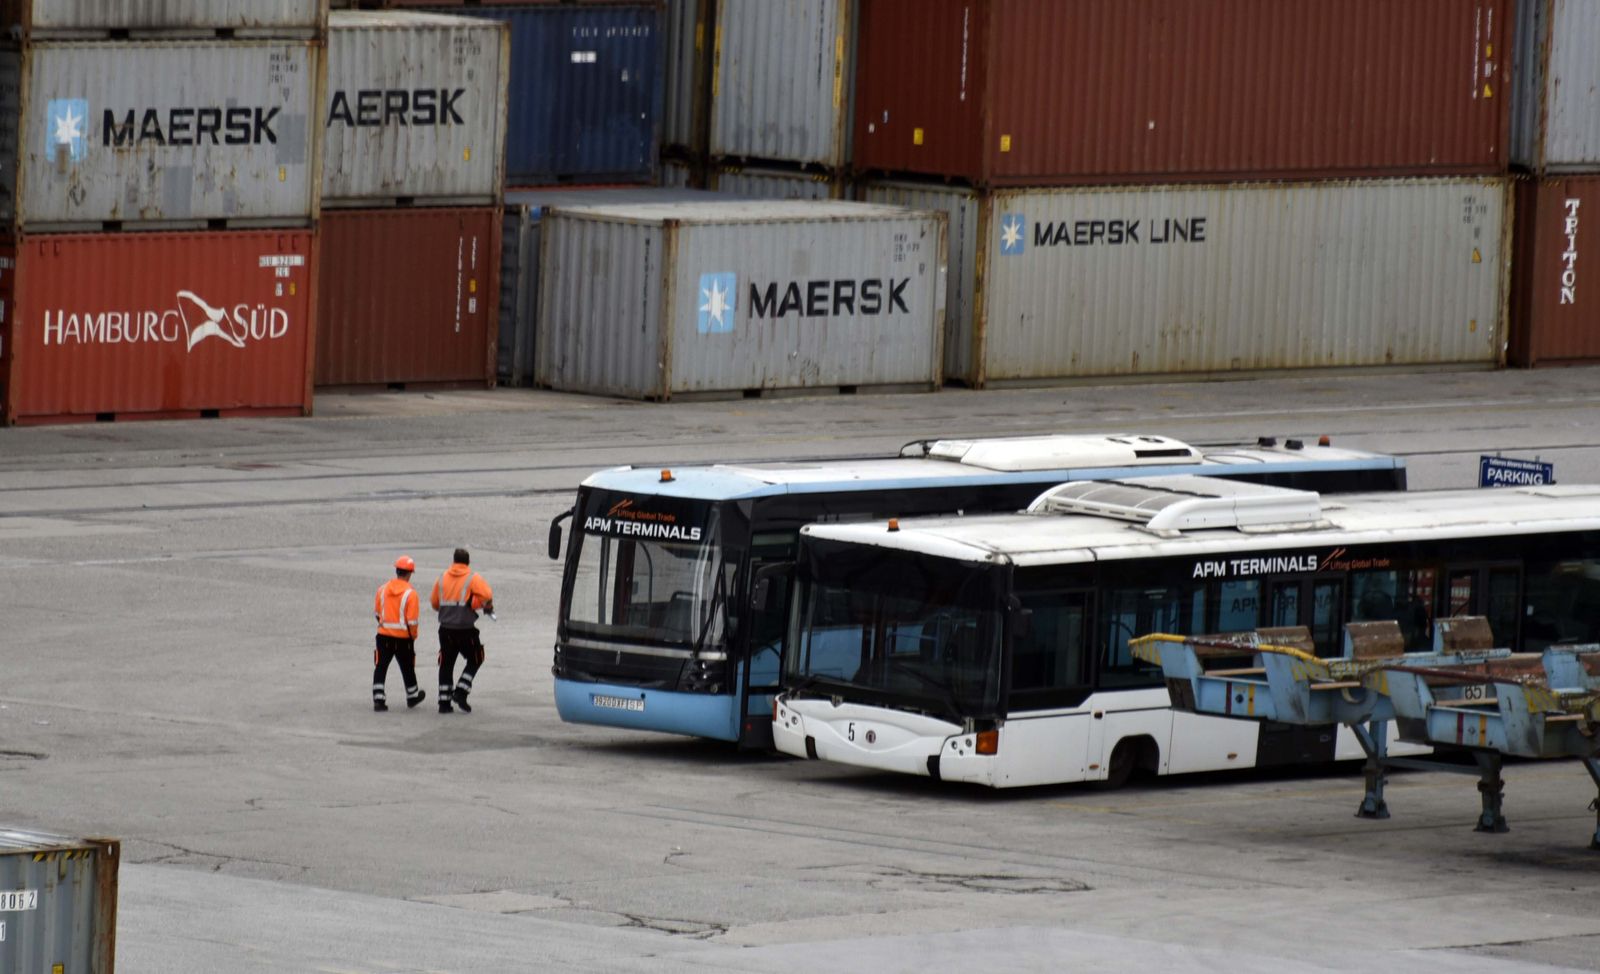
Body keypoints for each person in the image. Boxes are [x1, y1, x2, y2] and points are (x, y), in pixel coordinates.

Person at [431, 548, 494, 714]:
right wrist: (477, 603)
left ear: (453, 561)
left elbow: (434, 603)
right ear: (467, 562)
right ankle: (461, 691)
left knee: (446, 664)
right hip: (466, 629)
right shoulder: (472, 578)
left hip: (445, 629)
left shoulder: (442, 578)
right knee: (476, 658)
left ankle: (444, 703)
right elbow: (487, 594)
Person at [373, 555, 426, 712]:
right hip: (403, 638)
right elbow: (412, 621)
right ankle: (412, 696)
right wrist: (413, 636)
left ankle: (378, 698)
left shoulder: (382, 590)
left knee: (381, 666)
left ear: (397, 571)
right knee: (407, 666)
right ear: (409, 574)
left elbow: (377, 613)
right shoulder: (411, 594)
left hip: (383, 636)